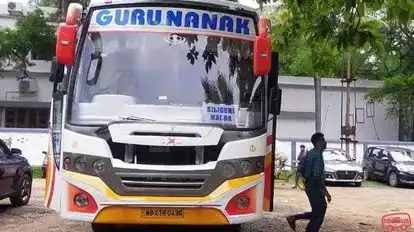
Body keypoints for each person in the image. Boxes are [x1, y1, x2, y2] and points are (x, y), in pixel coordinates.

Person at [286, 132, 332, 232]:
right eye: (323, 140)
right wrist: (325, 192)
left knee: (317, 212)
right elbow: (317, 177)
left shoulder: (310, 153)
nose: (325, 143)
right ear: (318, 142)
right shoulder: (317, 155)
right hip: (315, 188)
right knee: (319, 214)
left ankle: (294, 218)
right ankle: (296, 219)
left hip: (309, 186)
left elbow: (304, 171)